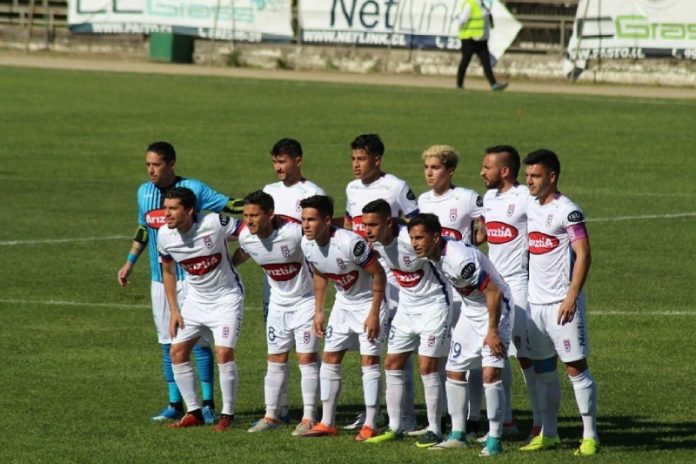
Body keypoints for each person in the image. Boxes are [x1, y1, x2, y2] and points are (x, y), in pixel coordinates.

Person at [117, 141, 243, 423]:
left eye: (156, 164)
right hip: (161, 279)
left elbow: (228, 204)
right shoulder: (144, 192)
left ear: (171, 164)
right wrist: (130, 261)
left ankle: (208, 403)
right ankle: (176, 403)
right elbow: (143, 228)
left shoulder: (193, 189)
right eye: (148, 165)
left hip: (196, 281)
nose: (151, 170)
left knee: (201, 344)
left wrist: (257, 206)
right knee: (168, 341)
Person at [408, 213, 513, 457]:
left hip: (496, 309)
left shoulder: (459, 260)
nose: (414, 244)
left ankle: (495, 439)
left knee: (490, 373)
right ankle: (457, 434)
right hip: (470, 309)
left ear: (436, 237)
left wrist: (492, 331)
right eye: (412, 238)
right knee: (454, 369)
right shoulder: (435, 253)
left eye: (419, 238)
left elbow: (494, 292)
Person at [518, 149, 598, 456]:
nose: (530, 181)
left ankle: (590, 436)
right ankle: (549, 433)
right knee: (543, 371)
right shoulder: (530, 205)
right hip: (535, 305)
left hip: (562, 304)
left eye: (535, 176)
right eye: (527, 175)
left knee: (575, 368)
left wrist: (572, 296)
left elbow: (584, 254)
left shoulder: (568, 211)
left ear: (552, 177)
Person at [344, 133, 420, 432]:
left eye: (361, 159)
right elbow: (350, 225)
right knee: (370, 347)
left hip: (395, 276)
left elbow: (417, 224)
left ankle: (406, 415)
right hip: (365, 276)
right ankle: (373, 412)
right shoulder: (351, 188)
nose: (356, 164)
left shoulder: (397, 187)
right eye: (353, 158)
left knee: (399, 348)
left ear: (377, 160)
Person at [360, 200, 451, 448]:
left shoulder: (409, 239)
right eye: (365, 224)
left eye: (373, 225)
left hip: (434, 306)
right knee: (392, 363)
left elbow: (442, 247)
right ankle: (395, 427)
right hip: (406, 309)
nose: (367, 230)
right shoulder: (375, 243)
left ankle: (435, 428)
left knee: (427, 367)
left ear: (388, 223)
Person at [299, 195, 388, 442]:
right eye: (303, 219)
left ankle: (371, 423)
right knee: (330, 358)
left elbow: (378, 274)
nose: (305, 225)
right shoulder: (307, 244)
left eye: (311, 220)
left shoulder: (350, 243)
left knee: (368, 361)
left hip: (368, 302)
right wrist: (319, 311)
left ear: (327, 221)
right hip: (343, 303)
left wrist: (374, 313)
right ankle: (327, 422)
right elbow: (319, 273)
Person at [157, 187, 245, 431]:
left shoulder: (214, 222)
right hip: (195, 301)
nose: (166, 214)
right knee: (177, 352)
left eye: (173, 209)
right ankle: (193, 411)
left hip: (227, 298)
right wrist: (174, 310)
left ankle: (227, 415)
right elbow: (168, 271)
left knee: (223, 353)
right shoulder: (164, 235)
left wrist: (240, 257)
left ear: (189, 210)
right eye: (165, 208)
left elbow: (248, 232)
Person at [233, 190, 320, 436]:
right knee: (275, 359)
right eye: (245, 215)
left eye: (254, 215)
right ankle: (271, 415)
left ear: (270, 214)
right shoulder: (246, 237)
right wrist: (227, 266)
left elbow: (321, 242)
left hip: (305, 303)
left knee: (306, 359)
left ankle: (309, 418)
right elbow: (243, 253)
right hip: (277, 305)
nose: (248, 221)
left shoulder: (293, 233)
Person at [417, 144, 485, 438]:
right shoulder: (423, 200)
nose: (429, 173)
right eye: (426, 168)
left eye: (435, 168)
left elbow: (485, 227)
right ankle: (446, 414)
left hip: (464, 286)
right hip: (437, 289)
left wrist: (470, 248)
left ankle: (475, 415)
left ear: (450, 170)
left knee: (472, 356)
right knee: (444, 351)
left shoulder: (467, 198)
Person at [477, 145, 540, 442]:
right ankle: (507, 421)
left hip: (519, 285)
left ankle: (540, 423)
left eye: (487, 167)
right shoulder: (489, 198)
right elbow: (487, 233)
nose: (481, 172)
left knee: (525, 356)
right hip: (493, 286)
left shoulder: (526, 197)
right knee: (497, 351)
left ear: (504, 171)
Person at [262, 138, 326, 421]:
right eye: (275, 162)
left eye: (283, 162)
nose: (278, 167)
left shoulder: (313, 193)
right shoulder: (269, 192)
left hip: (304, 289)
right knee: (277, 350)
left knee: (306, 354)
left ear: (298, 161)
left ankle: (311, 413)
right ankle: (280, 409)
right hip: (274, 287)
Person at [455, 0, 508, 91]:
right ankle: (459, 84)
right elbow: (462, 20)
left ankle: (494, 84)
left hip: (481, 39)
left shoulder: (483, 5)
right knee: (465, 61)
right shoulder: (470, 4)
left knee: (486, 62)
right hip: (469, 39)